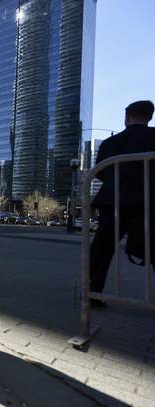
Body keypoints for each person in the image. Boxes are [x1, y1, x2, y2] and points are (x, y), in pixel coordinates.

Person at [90, 100, 155, 307]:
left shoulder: (110, 143)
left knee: (101, 250)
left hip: (114, 201)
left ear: (127, 116)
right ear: (150, 116)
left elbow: (100, 171)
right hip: (150, 201)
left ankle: (92, 292)